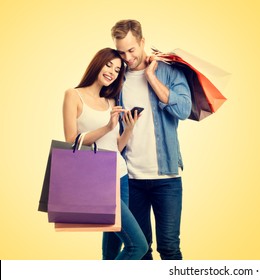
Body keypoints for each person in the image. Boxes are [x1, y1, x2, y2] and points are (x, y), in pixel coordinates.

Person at [111, 19, 191, 260]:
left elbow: (184, 110)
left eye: (131, 50)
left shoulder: (167, 70)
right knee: (141, 249)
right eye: (121, 52)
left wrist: (151, 77)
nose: (126, 57)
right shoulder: (117, 78)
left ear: (142, 41)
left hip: (166, 178)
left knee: (169, 248)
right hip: (131, 179)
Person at [62, 47, 148, 260]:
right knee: (138, 246)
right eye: (108, 65)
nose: (112, 71)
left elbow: (114, 147)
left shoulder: (111, 101)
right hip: (97, 181)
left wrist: (128, 129)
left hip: (120, 175)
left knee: (111, 251)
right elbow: (71, 141)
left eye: (118, 70)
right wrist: (108, 127)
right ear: (97, 63)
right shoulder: (73, 95)